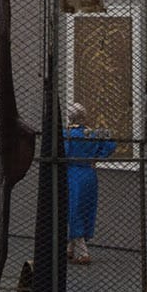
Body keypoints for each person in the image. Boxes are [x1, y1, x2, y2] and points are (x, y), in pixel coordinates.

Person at [63, 102, 117, 263]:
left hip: (72, 173)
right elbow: (110, 144)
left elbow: (63, 153)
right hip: (89, 173)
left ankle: (82, 252)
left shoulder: (67, 134)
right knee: (85, 207)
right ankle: (71, 248)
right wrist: (96, 157)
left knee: (73, 209)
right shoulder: (92, 133)